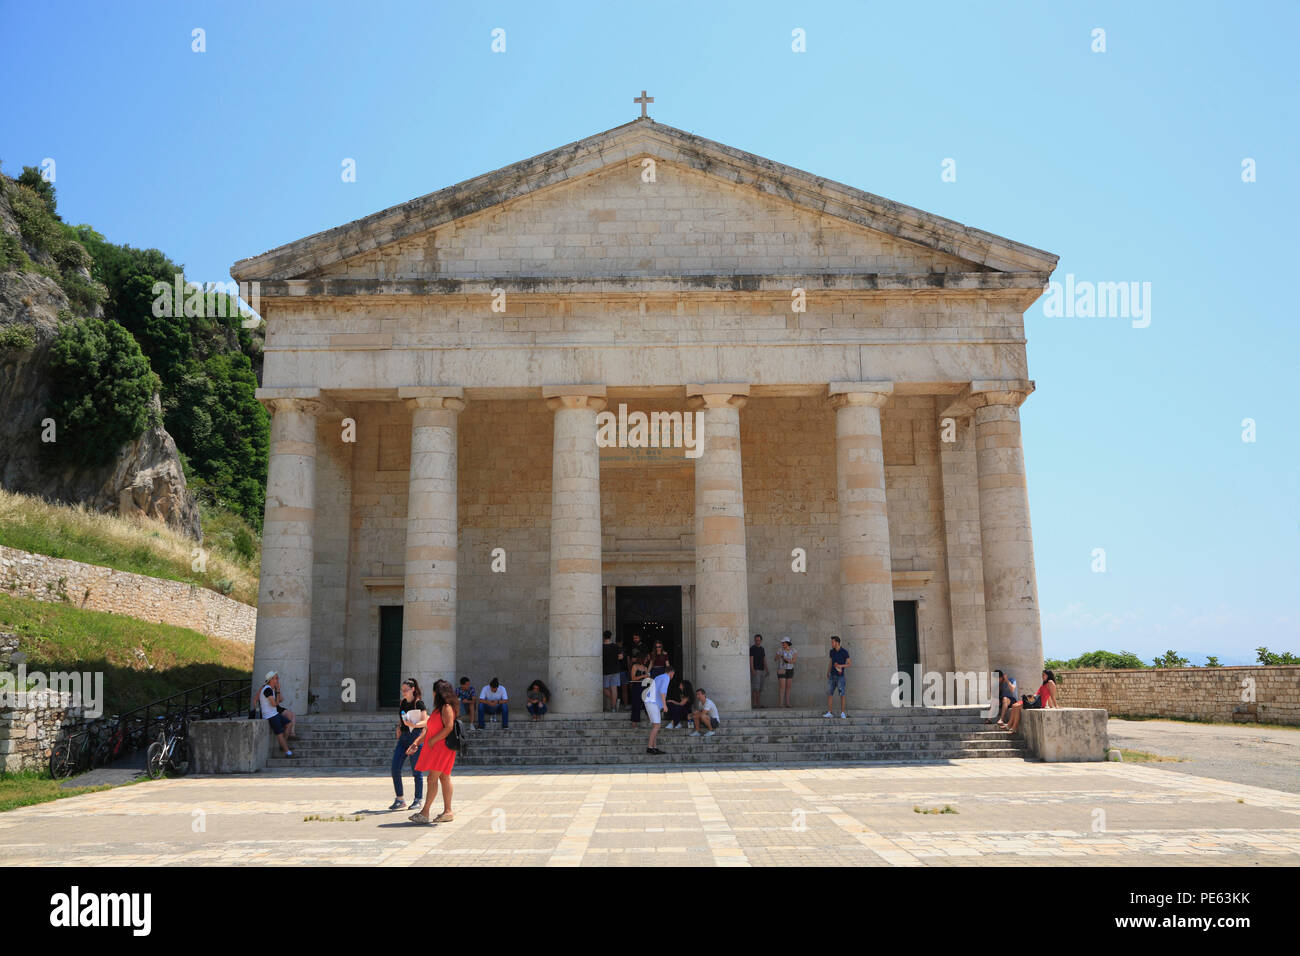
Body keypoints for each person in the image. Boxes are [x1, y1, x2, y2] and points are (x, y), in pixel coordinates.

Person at [407, 678, 458, 825]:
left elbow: (448, 727)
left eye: (434, 691)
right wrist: (417, 742)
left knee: (431, 778)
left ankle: (425, 812)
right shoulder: (438, 709)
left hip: (442, 748)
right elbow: (428, 729)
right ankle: (448, 812)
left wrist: (433, 740)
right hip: (438, 748)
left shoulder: (446, 707)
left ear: (438, 692)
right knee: (444, 778)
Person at [390, 678, 425, 811]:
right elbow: (402, 718)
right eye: (402, 690)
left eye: (406, 690)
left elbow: (425, 722)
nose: (403, 692)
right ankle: (400, 799)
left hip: (415, 737)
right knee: (395, 767)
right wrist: (399, 726)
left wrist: (414, 725)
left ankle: (418, 799)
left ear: (413, 690)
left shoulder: (419, 703)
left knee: (416, 771)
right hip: (403, 738)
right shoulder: (402, 702)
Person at [1004, 670, 1057, 734]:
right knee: (1014, 705)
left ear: (1049, 675)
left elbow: (1052, 695)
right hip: (1033, 699)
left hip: (1038, 702)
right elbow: (1048, 696)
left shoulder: (1050, 682)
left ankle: (1014, 727)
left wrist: (1055, 706)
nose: (1042, 676)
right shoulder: (1045, 683)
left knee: (1017, 707)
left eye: (1044, 675)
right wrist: (1050, 706)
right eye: (1042, 675)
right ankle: (1009, 725)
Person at [255, 671, 294, 756]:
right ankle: (288, 752)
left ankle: (283, 744)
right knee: (279, 734)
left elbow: (280, 700)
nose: (277, 680)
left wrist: (278, 690)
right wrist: (278, 692)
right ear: (271, 680)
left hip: (274, 713)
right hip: (270, 716)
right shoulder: (267, 689)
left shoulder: (271, 689)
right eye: (276, 678)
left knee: (289, 724)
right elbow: (274, 704)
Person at [642, 665, 673, 754]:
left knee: (655, 726)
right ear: (671, 673)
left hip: (650, 701)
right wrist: (665, 705)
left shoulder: (659, 676)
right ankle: (649, 747)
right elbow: (662, 692)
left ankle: (654, 747)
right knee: (657, 726)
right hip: (652, 702)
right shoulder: (666, 677)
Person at [824, 635, 850, 718]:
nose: (831, 643)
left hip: (840, 676)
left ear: (837, 643)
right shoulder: (832, 651)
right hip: (832, 675)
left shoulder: (844, 652)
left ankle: (842, 713)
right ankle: (829, 712)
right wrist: (828, 671)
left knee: (842, 694)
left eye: (833, 642)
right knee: (830, 693)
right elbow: (831, 662)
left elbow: (849, 664)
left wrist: (840, 666)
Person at [601, 631, 624, 712]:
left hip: (606, 670)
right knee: (614, 688)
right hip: (615, 669)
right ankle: (613, 707)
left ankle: (615, 701)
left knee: (603, 688)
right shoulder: (615, 646)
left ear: (603, 637)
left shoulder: (602, 647)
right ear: (611, 637)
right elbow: (621, 657)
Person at [622, 632, 646, 707]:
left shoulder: (643, 646)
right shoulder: (631, 646)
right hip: (633, 667)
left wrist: (637, 660)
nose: (635, 639)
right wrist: (629, 667)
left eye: (636, 638)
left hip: (641, 667)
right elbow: (629, 657)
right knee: (632, 685)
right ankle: (633, 703)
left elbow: (645, 657)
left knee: (643, 685)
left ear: (640, 638)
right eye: (634, 638)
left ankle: (642, 704)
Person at [627, 654, 650, 725]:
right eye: (645, 659)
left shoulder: (645, 668)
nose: (646, 661)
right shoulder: (635, 666)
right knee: (636, 704)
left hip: (644, 687)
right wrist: (643, 676)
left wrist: (648, 678)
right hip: (636, 686)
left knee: (647, 703)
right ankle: (634, 722)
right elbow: (633, 678)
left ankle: (651, 719)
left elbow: (646, 679)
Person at [775, 637, 797, 708]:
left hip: (790, 669)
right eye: (782, 643)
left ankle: (787, 703)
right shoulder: (780, 650)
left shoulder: (793, 650)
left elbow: (794, 660)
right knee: (782, 687)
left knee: (788, 687)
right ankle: (780, 703)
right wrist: (779, 655)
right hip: (782, 669)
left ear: (787, 643)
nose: (782, 644)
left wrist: (787, 660)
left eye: (784, 643)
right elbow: (775, 659)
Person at [749, 633, 769, 708]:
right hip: (756, 670)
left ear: (761, 641)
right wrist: (752, 669)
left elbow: (764, 659)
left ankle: (757, 703)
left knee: (760, 688)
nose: (757, 641)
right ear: (754, 640)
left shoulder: (762, 649)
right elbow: (751, 659)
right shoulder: (752, 648)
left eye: (759, 640)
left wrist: (767, 669)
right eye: (756, 640)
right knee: (755, 688)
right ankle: (756, 704)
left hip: (762, 670)